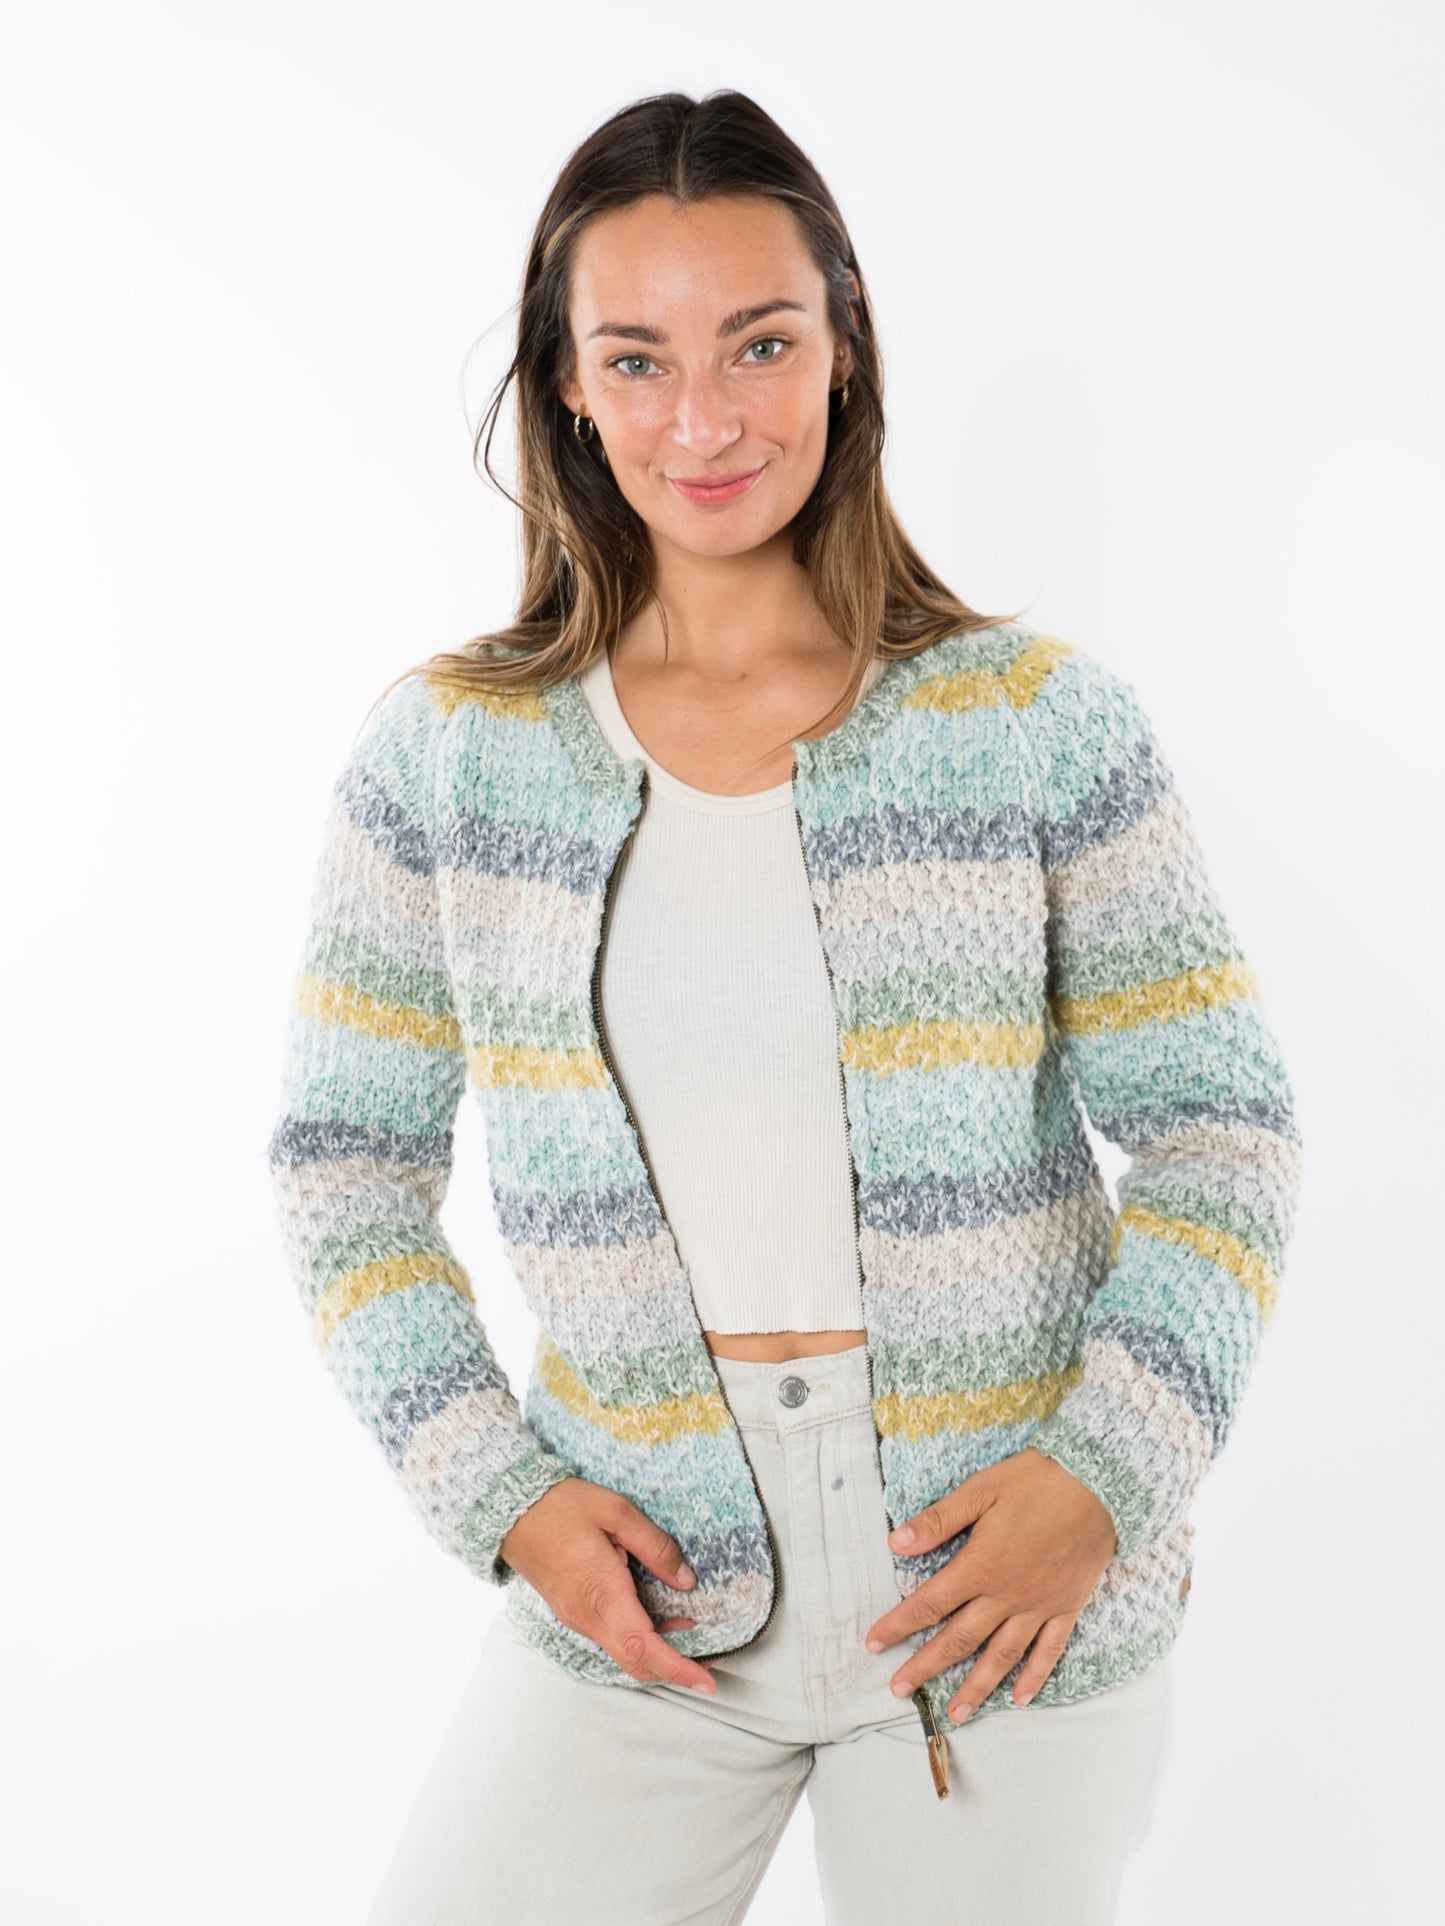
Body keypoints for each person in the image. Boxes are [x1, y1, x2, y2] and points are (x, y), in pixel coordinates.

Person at [265, 88, 1302, 1926]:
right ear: (567, 387)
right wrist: (500, 1492)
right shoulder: (449, 757)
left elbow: (1219, 1130)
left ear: (844, 343)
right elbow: (344, 1163)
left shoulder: (1034, 722)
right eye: (638, 359)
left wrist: (1100, 1479)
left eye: (758, 343)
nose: (706, 419)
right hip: (642, 1579)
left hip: (995, 1585)